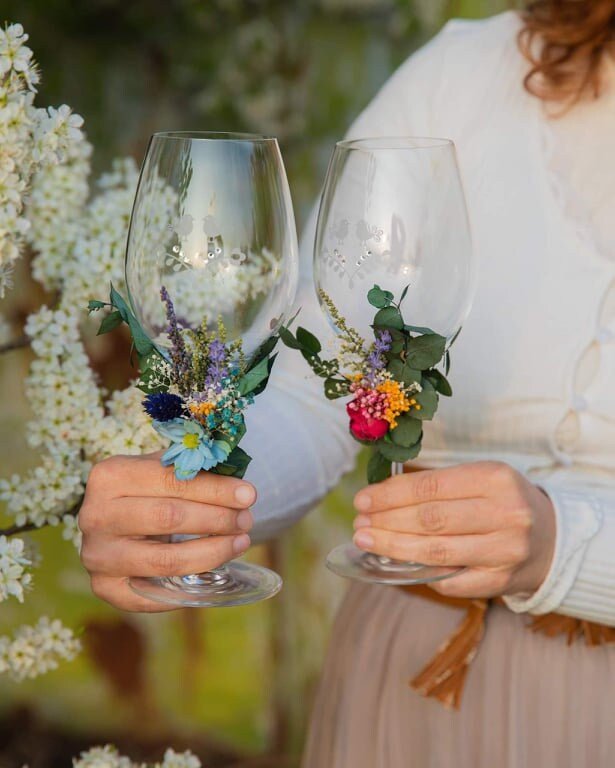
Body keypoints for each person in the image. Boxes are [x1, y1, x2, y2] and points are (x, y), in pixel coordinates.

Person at [78, 2, 615, 765]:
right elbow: (316, 388)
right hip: (405, 673)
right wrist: (192, 507)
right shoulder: (464, 75)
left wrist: (566, 548)